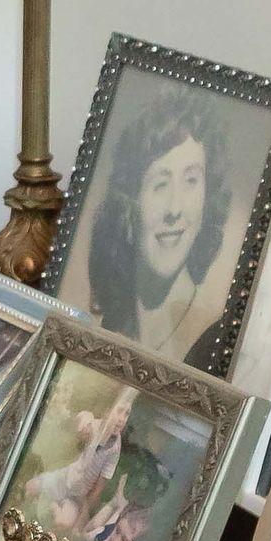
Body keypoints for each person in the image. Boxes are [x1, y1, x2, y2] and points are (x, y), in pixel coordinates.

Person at [75, 88, 234, 365]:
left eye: (191, 181)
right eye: (160, 184)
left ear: (208, 197)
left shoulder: (213, 338)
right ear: (131, 201)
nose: (175, 209)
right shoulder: (112, 325)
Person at [25, 390, 134, 535]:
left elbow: (99, 487)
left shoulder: (115, 448)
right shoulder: (93, 426)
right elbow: (81, 424)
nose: (122, 419)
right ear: (108, 411)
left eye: (127, 413)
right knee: (30, 486)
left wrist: (83, 514)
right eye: (119, 411)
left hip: (76, 497)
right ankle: (46, 503)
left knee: (63, 523)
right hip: (63, 479)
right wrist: (84, 423)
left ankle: (52, 505)